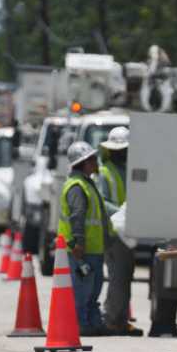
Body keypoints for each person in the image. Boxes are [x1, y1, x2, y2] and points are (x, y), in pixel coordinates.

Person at [59, 141, 107, 336]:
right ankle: (81, 325)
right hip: (82, 250)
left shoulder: (87, 183)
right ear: (85, 162)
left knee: (93, 289)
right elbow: (77, 216)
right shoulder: (78, 187)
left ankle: (93, 323)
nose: (96, 162)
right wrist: (78, 242)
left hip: (93, 249)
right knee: (82, 290)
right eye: (93, 159)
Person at [97, 126, 143, 336]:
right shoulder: (104, 172)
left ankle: (119, 319)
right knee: (118, 276)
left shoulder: (130, 169)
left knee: (124, 275)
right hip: (114, 231)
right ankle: (113, 320)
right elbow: (102, 202)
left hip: (127, 229)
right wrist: (125, 211)